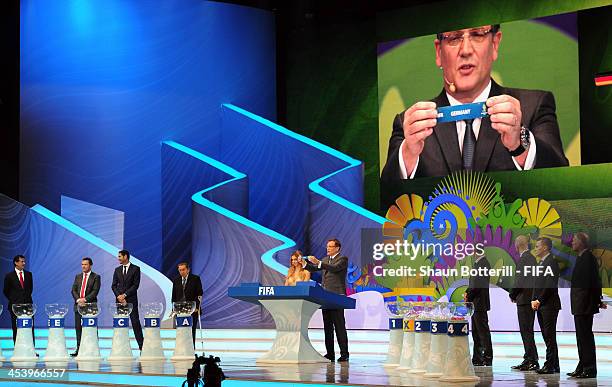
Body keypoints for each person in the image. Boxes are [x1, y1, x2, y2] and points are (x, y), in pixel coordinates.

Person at [381, 24, 568, 181]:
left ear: (495, 44)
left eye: (478, 34)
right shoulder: (410, 124)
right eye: (454, 38)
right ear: (439, 52)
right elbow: (384, 203)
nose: (466, 50)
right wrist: (408, 153)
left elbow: (563, 182)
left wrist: (520, 143)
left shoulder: (534, 106)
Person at [303, 239, 349, 362]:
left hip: (337, 297)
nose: (328, 248)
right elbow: (313, 268)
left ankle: (344, 354)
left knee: (339, 326)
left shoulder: (343, 259)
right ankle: (330, 354)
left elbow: (334, 268)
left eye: (330, 246)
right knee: (327, 327)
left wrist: (318, 262)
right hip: (326, 297)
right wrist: (304, 264)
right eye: (327, 246)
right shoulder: (324, 260)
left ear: (337, 248)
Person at [567, 232, 605, 379]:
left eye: (575, 240)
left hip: (585, 304)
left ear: (582, 242)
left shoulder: (588, 258)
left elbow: (595, 281)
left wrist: (597, 300)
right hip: (579, 304)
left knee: (585, 337)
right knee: (581, 337)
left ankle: (589, 368)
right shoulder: (581, 258)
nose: (572, 242)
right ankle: (582, 365)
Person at [531, 237, 561, 374]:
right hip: (542, 305)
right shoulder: (541, 263)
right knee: (547, 336)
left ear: (545, 248)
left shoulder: (551, 262)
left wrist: (539, 300)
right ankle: (554, 364)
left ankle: (550, 365)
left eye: (537, 246)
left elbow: (550, 285)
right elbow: (537, 285)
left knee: (549, 336)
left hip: (549, 305)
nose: (535, 249)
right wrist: (533, 299)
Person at [508, 235, 539, 371]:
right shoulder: (531, 258)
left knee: (526, 331)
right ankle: (529, 358)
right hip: (528, 299)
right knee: (527, 331)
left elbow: (519, 280)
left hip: (524, 300)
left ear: (517, 246)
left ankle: (531, 360)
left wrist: (512, 294)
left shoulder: (524, 259)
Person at [111, 250, 144, 350]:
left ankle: (142, 346)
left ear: (126, 257)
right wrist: (119, 296)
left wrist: (125, 295)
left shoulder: (135, 269)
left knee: (135, 322)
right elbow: (113, 285)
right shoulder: (117, 270)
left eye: (120, 256)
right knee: (121, 323)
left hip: (131, 300)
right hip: (119, 301)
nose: (118, 258)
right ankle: (121, 347)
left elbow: (135, 285)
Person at [464, 253, 492, 366]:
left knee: (483, 332)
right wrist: (467, 292)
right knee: (476, 332)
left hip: (479, 303)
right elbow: (473, 283)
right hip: (475, 302)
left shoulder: (483, 263)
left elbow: (477, 285)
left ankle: (487, 357)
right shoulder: (478, 264)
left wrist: (468, 295)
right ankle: (478, 358)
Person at [70, 257, 101, 357]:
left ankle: (93, 349)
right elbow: (73, 290)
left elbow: (95, 291)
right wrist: (78, 300)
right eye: (82, 264)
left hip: (90, 306)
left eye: (85, 264)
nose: (83, 266)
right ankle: (79, 349)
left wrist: (85, 300)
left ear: (90, 265)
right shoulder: (78, 276)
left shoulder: (96, 277)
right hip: (78, 305)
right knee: (78, 327)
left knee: (91, 328)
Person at [3, 255, 34, 344]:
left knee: (30, 327)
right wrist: (14, 300)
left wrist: (25, 300)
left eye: (24, 261)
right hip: (15, 306)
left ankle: (31, 349)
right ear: (16, 263)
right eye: (22, 261)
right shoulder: (9, 276)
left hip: (28, 306)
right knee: (16, 327)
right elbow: (6, 291)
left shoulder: (29, 274)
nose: (24, 263)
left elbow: (30, 289)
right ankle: (17, 348)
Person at [171, 262, 203, 346]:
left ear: (188, 270)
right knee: (181, 331)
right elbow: (174, 296)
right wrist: (173, 309)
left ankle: (191, 350)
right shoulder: (176, 280)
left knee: (191, 331)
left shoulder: (195, 279)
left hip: (192, 310)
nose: (181, 272)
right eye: (180, 270)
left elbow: (199, 293)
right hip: (180, 310)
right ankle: (181, 349)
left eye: (183, 270)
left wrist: (197, 306)